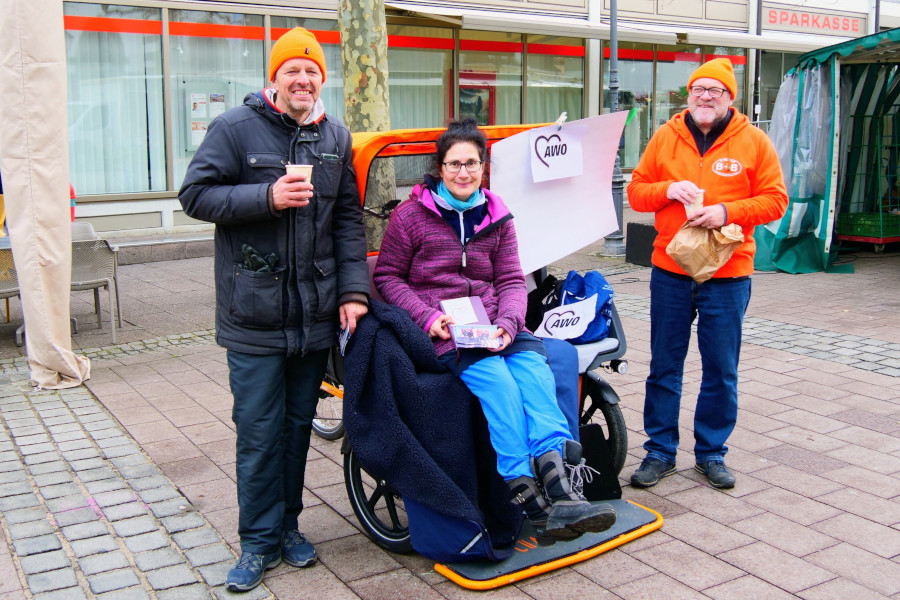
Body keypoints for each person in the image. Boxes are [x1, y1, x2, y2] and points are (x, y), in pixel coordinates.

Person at [179, 27, 368, 592]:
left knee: (293, 430)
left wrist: (354, 293)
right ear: (275, 78)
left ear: (321, 80)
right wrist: (265, 197)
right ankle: (256, 543)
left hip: (313, 317)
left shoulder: (336, 136)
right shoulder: (235, 130)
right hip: (254, 316)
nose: (303, 80)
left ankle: (288, 528)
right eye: (293, 71)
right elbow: (195, 195)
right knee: (258, 433)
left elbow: (347, 222)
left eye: (312, 72)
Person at [373, 118, 615, 541]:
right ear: (439, 167)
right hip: (447, 328)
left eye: (471, 163)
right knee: (501, 385)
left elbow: (510, 280)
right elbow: (389, 277)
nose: (463, 172)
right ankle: (524, 491)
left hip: (494, 322)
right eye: (454, 164)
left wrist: (507, 322)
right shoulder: (411, 216)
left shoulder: (499, 216)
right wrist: (428, 318)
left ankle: (559, 490)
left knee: (536, 374)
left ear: (483, 167)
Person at [627, 58, 788, 490]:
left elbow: (775, 201)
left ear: (729, 98)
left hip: (729, 274)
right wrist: (667, 190)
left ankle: (711, 453)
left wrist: (725, 211)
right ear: (689, 95)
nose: (704, 96)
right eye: (698, 89)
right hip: (671, 270)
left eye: (714, 91)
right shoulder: (665, 136)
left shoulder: (754, 142)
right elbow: (637, 193)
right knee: (664, 366)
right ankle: (659, 451)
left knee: (721, 369)